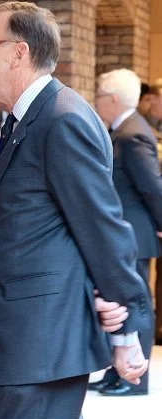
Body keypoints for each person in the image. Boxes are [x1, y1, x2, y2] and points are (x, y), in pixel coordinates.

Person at [0, 3, 150, 419]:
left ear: (18, 52)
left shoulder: (61, 118)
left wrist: (129, 324)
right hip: (36, 343)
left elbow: (103, 227)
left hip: (41, 347)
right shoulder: (31, 118)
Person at [91, 68, 162, 396]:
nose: (96, 101)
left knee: (136, 304)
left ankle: (136, 378)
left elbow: (152, 188)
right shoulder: (122, 130)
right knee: (119, 302)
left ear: (114, 99)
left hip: (136, 235)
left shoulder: (133, 133)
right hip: (122, 235)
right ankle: (117, 371)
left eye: (100, 96)